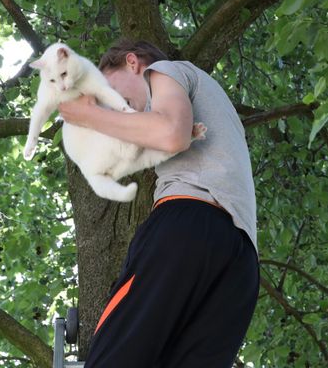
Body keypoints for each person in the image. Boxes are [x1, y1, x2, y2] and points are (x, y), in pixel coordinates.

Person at [57, 38, 258, 368]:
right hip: (240, 263)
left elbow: (171, 134)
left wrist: (88, 114)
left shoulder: (164, 71)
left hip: (188, 226)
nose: (116, 106)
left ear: (133, 63)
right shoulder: (220, 114)